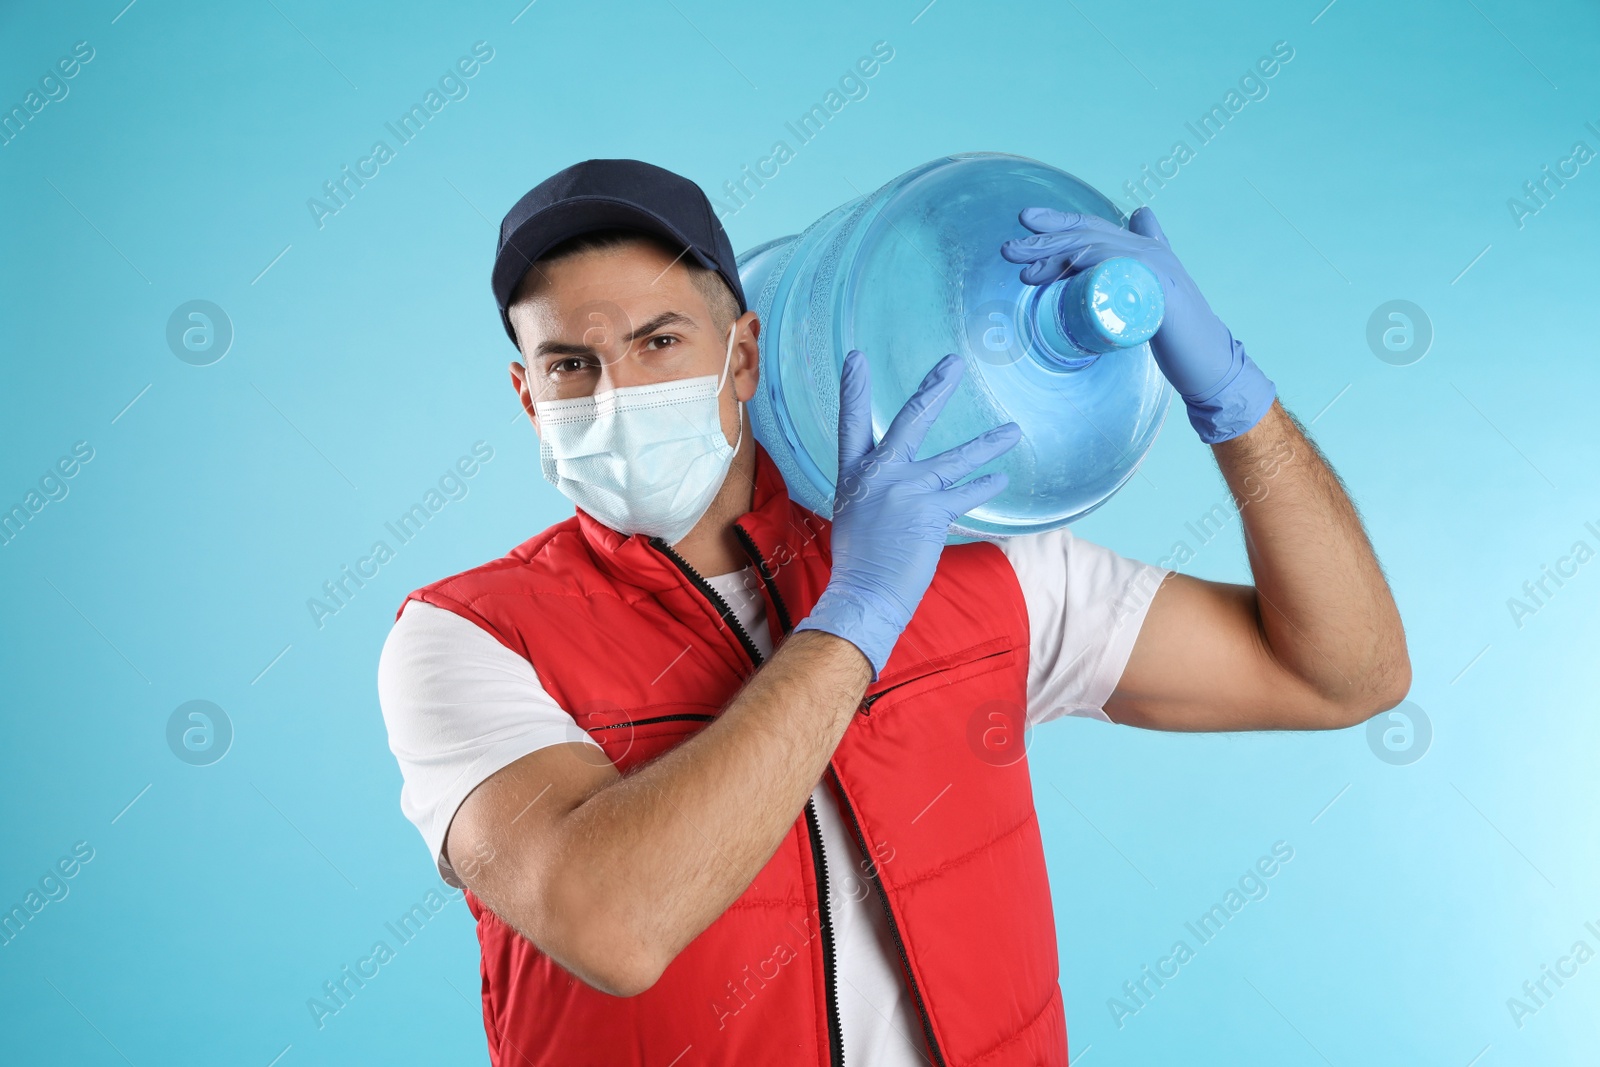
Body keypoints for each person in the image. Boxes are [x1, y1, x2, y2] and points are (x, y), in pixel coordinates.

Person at [377, 158, 1409, 1066]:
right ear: (526, 394)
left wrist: (1235, 401)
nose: (618, 392)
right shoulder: (466, 635)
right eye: (571, 363)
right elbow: (614, 923)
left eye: (659, 340)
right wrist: (856, 615)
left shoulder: (967, 554)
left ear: (742, 354)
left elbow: (1343, 671)